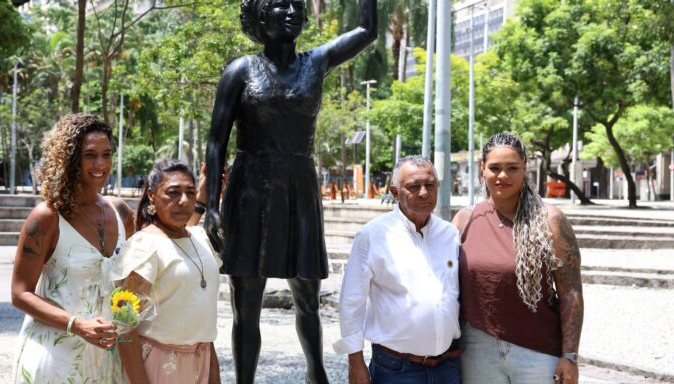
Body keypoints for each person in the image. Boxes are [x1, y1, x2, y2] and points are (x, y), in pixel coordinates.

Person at [203, 0, 377, 381]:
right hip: (250, 188)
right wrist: (211, 205)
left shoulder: (316, 62)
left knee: (308, 298)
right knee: (246, 303)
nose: (292, 11)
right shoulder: (240, 71)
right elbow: (216, 143)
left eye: (297, 5)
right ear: (261, 17)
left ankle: (317, 375)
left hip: (299, 185)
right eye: (281, 5)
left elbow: (367, 31)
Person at [11, 113, 136, 383]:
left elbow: (151, 255)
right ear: (69, 160)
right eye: (90, 155)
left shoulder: (121, 212)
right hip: (56, 359)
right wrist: (77, 325)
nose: (100, 163)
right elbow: (20, 293)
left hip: (108, 359)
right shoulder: (46, 218)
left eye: (107, 154)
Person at [453, 132, 584, 384]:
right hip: (477, 350)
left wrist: (569, 356)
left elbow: (571, 293)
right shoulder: (464, 220)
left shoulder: (550, 221)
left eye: (512, 168)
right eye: (495, 168)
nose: (503, 176)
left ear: (525, 169)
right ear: (482, 169)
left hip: (537, 353)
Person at [334, 155, 462, 384]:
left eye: (430, 185)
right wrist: (355, 362)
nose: (424, 192)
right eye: (414, 186)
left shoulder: (450, 234)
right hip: (397, 370)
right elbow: (352, 303)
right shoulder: (372, 236)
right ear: (395, 192)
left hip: (447, 367)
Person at [111, 159, 222, 384]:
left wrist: (212, 371)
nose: (183, 200)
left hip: (202, 359)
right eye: (173, 192)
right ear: (152, 196)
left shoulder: (199, 239)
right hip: (158, 366)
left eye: (190, 192)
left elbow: (202, 315)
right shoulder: (143, 247)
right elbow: (124, 327)